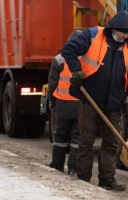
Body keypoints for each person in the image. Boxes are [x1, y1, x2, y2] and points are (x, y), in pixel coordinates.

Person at [61, 10, 128, 191]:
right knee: (86, 140)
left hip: (114, 102)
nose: (125, 36)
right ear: (114, 28)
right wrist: (76, 71)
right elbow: (68, 49)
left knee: (111, 143)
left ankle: (107, 179)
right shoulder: (93, 36)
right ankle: (83, 177)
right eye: (123, 32)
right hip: (91, 99)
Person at [48, 30, 83, 175]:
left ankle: (57, 165)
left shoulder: (59, 59)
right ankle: (73, 167)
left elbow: (52, 83)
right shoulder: (86, 60)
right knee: (77, 137)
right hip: (80, 105)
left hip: (62, 104)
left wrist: (51, 100)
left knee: (61, 135)